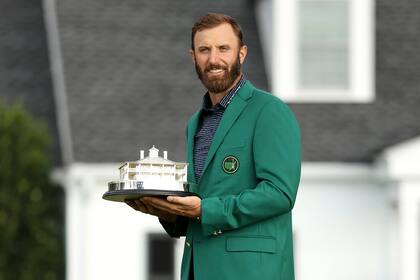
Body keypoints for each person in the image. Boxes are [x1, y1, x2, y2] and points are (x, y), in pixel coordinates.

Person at [126, 13, 301, 280]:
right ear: (193, 56)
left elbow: (279, 194)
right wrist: (169, 213)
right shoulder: (195, 123)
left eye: (223, 48)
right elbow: (201, 204)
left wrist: (205, 210)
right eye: (204, 50)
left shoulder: (269, 111)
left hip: (251, 273)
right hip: (199, 270)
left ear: (241, 53)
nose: (214, 59)